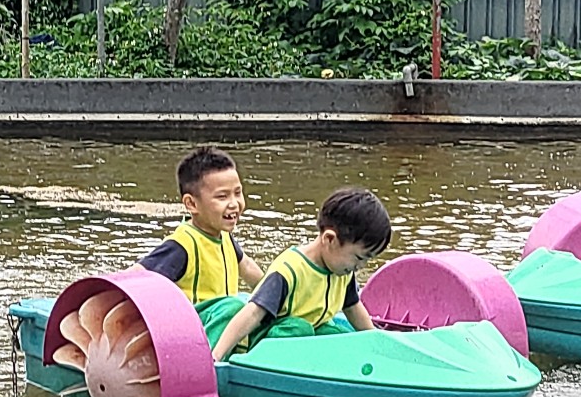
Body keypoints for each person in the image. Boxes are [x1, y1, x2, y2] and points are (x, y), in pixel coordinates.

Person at [211, 186, 392, 362]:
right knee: (299, 328)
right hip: (269, 339)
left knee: (337, 335)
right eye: (359, 258)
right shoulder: (289, 270)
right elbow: (252, 313)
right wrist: (217, 356)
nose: (361, 266)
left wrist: (376, 341)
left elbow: (353, 308)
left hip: (306, 336)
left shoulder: (343, 271)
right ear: (329, 239)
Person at [135, 146, 264, 347]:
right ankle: (212, 360)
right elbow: (137, 277)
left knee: (284, 320)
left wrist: (275, 295)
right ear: (192, 204)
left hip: (226, 322)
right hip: (195, 334)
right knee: (234, 307)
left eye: (237, 193)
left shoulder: (224, 237)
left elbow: (246, 266)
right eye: (222, 197)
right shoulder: (182, 246)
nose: (234, 204)